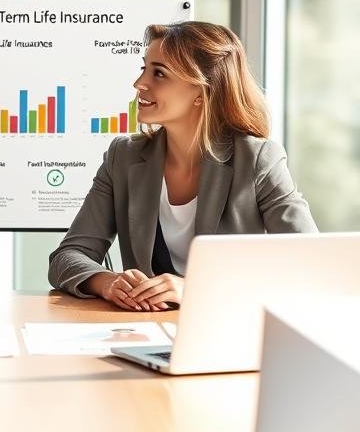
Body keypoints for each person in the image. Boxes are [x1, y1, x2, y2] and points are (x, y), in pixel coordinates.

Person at [48, 20, 316, 311]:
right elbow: (67, 256)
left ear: (201, 91)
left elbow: (310, 263)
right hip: (146, 333)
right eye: (144, 68)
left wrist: (194, 290)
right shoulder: (123, 157)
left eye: (159, 73)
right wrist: (106, 281)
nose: (139, 84)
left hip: (228, 329)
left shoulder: (257, 159)